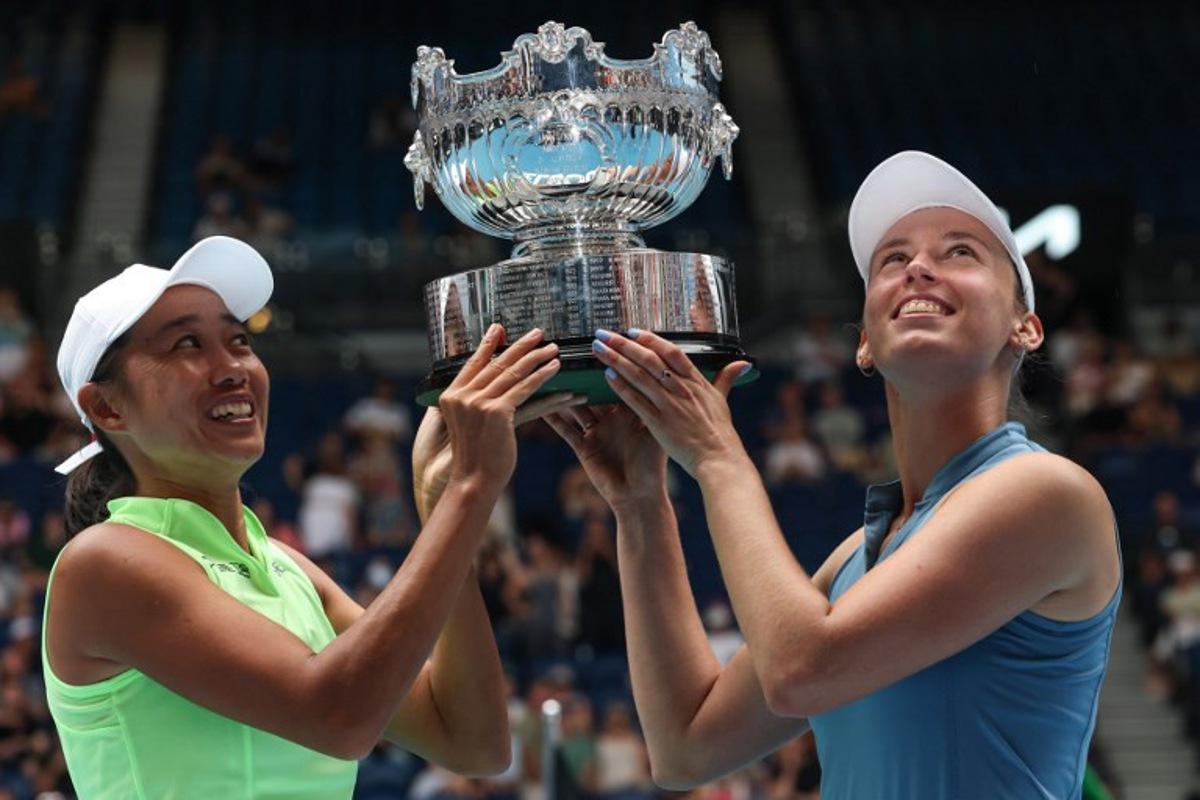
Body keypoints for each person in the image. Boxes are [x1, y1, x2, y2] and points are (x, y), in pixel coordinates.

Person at [545, 152, 1122, 798]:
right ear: (864, 343)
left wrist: (717, 458)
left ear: (1027, 327)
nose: (919, 267)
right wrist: (641, 504)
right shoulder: (856, 556)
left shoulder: (1048, 494)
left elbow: (802, 672)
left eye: (960, 252)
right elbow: (687, 743)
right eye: (893, 260)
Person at [40, 236, 583, 798]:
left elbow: (473, 743)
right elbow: (339, 715)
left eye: (239, 341)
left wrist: (447, 501)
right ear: (106, 408)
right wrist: (470, 492)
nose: (231, 368)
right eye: (187, 345)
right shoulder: (104, 561)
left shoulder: (286, 566)